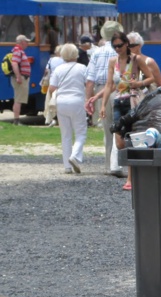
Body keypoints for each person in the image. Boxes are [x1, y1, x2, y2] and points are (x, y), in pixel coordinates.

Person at [100, 30, 155, 191]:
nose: (117, 49)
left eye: (120, 46)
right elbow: (109, 85)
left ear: (126, 44)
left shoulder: (136, 59)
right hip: (118, 101)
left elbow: (151, 77)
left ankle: (131, 178)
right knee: (119, 142)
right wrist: (103, 104)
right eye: (115, 46)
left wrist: (139, 83)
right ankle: (135, 167)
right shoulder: (113, 61)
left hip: (133, 101)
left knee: (131, 139)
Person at [85, 20, 124, 177]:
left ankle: (108, 165)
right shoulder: (120, 51)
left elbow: (89, 80)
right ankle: (119, 164)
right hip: (118, 89)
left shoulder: (96, 52)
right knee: (120, 128)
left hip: (101, 90)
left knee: (107, 129)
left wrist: (89, 100)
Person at [49, 43, 88, 175]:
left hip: (61, 102)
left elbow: (52, 88)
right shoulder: (82, 68)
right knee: (80, 132)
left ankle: (67, 166)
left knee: (65, 134)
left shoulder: (58, 69)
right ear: (76, 54)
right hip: (77, 101)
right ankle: (75, 156)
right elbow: (88, 84)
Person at [10, 35, 31, 126]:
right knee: (18, 99)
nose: (27, 44)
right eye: (26, 42)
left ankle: (16, 120)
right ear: (22, 42)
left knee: (18, 99)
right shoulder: (18, 51)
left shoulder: (19, 51)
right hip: (21, 78)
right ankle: (16, 121)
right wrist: (18, 77)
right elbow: (14, 63)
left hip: (22, 77)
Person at [44, 45, 64, 126]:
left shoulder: (51, 60)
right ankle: (60, 119)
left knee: (51, 101)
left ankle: (50, 119)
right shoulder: (65, 61)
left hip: (52, 83)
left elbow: (47, 71)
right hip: (63, 83)